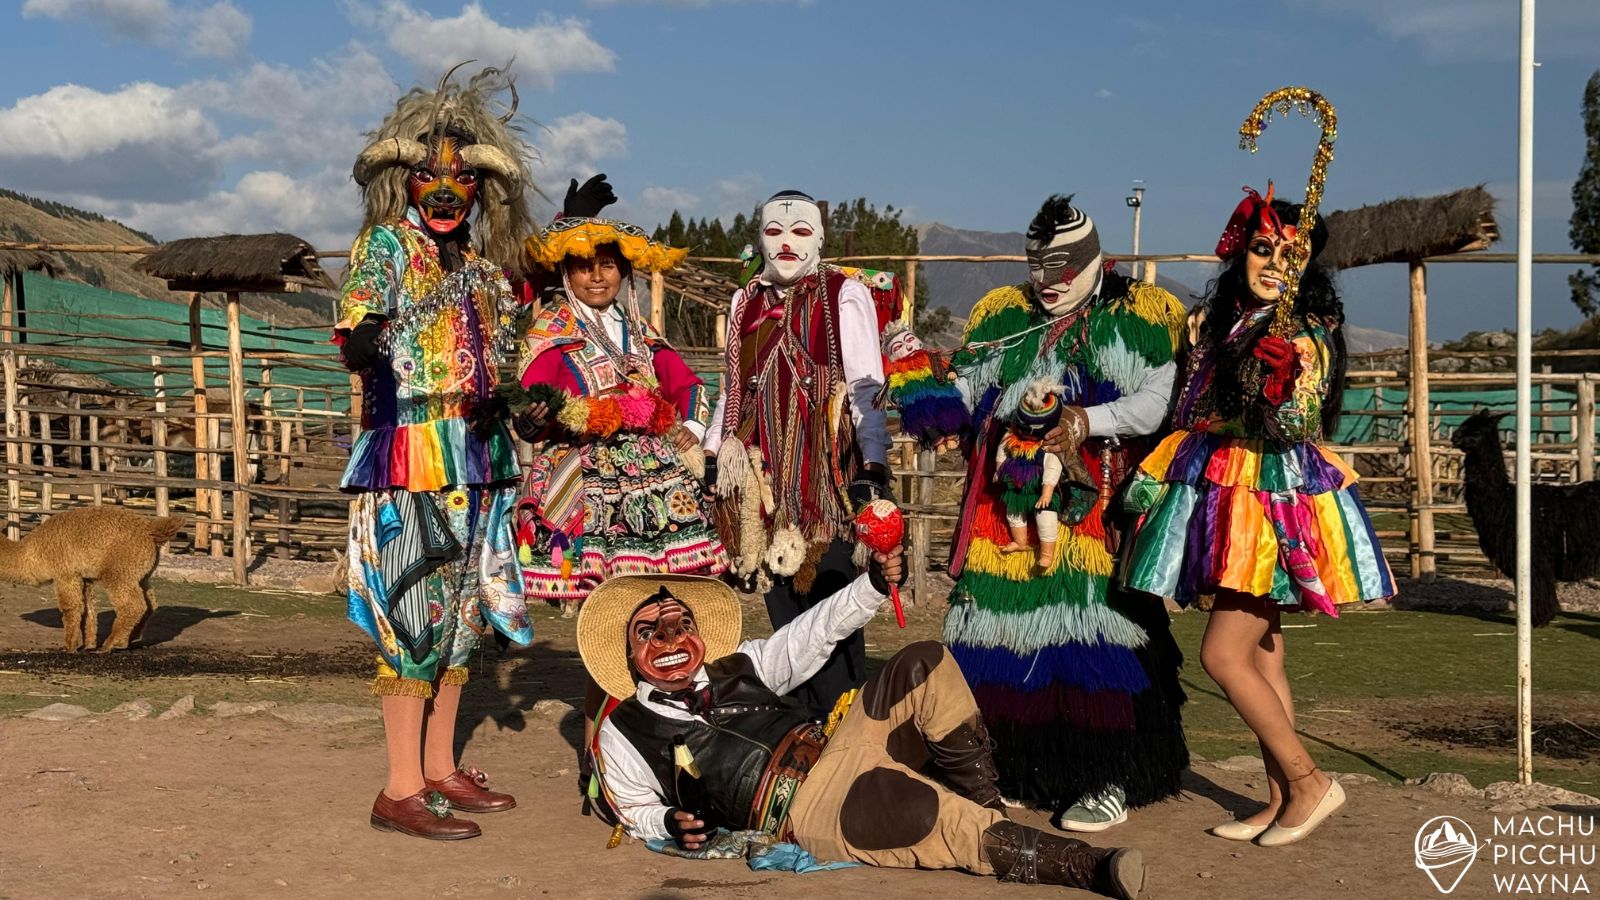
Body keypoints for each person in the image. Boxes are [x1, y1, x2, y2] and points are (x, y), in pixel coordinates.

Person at [576, 557, 1147, 898]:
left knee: (924, 660)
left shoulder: (741, 662)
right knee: (927, 813)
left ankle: (989, 810)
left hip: (840, 739)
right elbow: (634, 807)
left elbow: (810, 634)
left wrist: (872, 583)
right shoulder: (624, 731)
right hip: (804, 807)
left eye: (681, 624)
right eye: (650, 633)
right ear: (629, 653)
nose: (671, 640)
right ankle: (1085, 866)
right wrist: (667, 821)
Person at [1120, 185, 1395, 846]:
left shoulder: (1303, 333)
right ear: (1241, 252)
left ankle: (1309, 782)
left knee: (1222, 655)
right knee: (1264, 655)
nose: (1273, 264)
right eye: (1263, 248)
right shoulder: (1228, 322)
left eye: (1290, 256)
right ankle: (1280, 799)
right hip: (1222, 489)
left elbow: (1298, 420)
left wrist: (1282, 384)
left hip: (1265, 504)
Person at [929, 195, 1190, 832]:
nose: (1048, 281)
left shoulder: (1139, 316)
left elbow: (1156, 401)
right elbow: (965, 386)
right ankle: (1023, 767)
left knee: (1092, 635)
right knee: (1001, 635)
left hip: (1092, 512)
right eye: (1037, 266)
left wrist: (1085, 420)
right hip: (1005, 512)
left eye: (1063, 266)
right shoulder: (1003, 316)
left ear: (1094, 258)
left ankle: (1106, 776)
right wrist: (924, 387)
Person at [336, 63, 535, 840]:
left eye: (464, 180)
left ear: (483, 192)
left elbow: (510, 354)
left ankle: (439, 768)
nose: (448, 192)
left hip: (481, 459)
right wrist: (365, 337)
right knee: (412, 614)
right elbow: (358, 328)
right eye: (430, 177)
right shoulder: (384, 246)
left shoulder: (485, 273)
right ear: (404, 182)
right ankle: (398, 788)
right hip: (410, 453)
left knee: (462, 622)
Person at [702, 190, 893, 718]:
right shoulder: (745, 301)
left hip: (828, 485)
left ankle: (844, 725)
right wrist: (714, 450)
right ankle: (802, 731)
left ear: (820, 238)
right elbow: (733, 389)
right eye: (775, 231)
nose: (787, 242)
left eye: (801, 231)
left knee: (834, 605)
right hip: (764, 487)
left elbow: (866, 387)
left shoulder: (843, 294)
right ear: (760, 238)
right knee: (785, 614)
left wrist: (873, 465)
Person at [511, 214, 727, 614]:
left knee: (663, 590)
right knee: (602, 598)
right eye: (583, 267)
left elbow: (689, 385)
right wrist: (532, 420)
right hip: (585, 473)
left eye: (607, 266)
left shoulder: (639, 330)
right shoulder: (552, 329)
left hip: (655, 476)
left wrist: (692, 428)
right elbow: (530, 399)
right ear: (566, 273)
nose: (597, 277)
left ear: (623, 272)